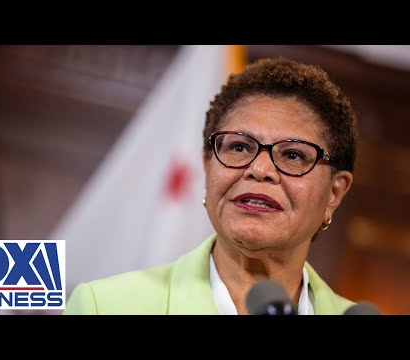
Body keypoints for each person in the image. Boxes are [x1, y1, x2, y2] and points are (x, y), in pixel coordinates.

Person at [63, 56, 357, 315]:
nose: (259, 169)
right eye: (240, 147)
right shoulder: (105, 306)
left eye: (293, 155)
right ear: (207, 169)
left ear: (334, 193)